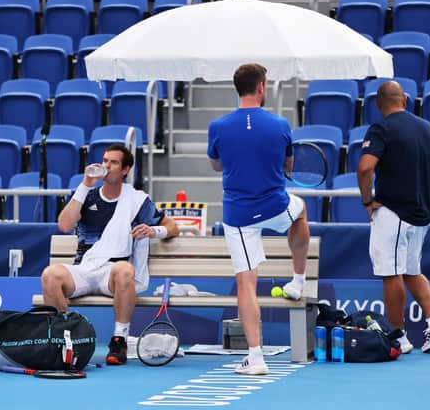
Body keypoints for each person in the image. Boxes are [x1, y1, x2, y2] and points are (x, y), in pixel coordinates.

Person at [207, 63, 311, 375]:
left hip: (238, 216)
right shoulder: (280, 124)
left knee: (246, 283)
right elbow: (287, 164)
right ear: (262, 87)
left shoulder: (218, 126)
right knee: (301, 209)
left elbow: (216, 166)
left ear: (238, 89)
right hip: (276, 206)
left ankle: (256, 358)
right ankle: (298, 280)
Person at [41, 143, 179, 365]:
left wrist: (153, 230)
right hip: (85, 269)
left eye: (113, 162)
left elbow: (172, 226)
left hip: (113, 274)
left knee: (125, 270)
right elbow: (65, 225)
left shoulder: (137, 200)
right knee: (50, 275)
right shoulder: (87, 195)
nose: (107, 166)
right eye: (105, 161)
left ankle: (119, 340)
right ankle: (66, 339)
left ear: (125, 170)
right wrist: (85, 184)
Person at [357, 81, 430, 354]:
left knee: (392, 274)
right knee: (413, 270)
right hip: (420, 214)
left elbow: (365, 168)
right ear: (405, 101)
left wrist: (367, 201)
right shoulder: (426, 127)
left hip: (393, 213)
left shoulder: (381, 128)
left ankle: (398, 336)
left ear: (378, 104)